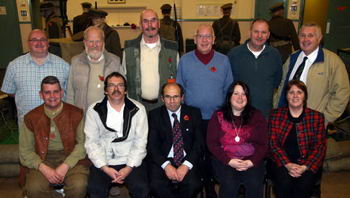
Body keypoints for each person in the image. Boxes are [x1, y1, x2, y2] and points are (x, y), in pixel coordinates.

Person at [176, 24, 233, 197]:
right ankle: (195, 186)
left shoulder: (224, 60)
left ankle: (209, 188)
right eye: (201, 36)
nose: (205, 40)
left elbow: (228, 90)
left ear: (214, 39)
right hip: (192, 119)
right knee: (194, 155)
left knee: (211, 156)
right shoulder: (185, 60)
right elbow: (180, 90)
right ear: (195, 39)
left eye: (208, 36)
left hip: (216, 119)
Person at [19, 76, 89, 198]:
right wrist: (44, 168)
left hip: (71, 157)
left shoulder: (76, 113)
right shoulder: (31, 117)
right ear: (41, 95)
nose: (52, 96)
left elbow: (83, 144)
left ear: (61, 93)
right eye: (47, 92)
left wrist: (66, 165)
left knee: (79, 185)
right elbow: (25, 150)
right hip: (42, 158)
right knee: (34, 188)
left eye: (56, 91)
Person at [84, 72, 149, 197]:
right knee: (95, 189)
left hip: (130, 159)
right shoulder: (94, 110)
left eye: (120, 85)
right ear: (105, 90)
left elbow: (141, 142)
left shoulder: (138, 109)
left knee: (142, 188)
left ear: (125, 90)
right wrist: (104, 167)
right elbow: (91, 142)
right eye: (112, 85)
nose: (116, 89)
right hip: (104, 160)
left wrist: (129, 167)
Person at [277, 22, 350, 124]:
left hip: (313, 123)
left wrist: (325, 119)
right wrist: (277, 107)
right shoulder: (292, 58)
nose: (305, 39)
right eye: (302, 35)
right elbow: (282, 84)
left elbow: (342, 92)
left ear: (319, 38)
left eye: (310, 36)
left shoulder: (333, 62)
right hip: (286, 119)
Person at [207, 81, 268, 198]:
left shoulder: (257, 116)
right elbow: (212, 143)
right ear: (229, 96)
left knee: (254, 184)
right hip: (225, 160)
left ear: (248, 97)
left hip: (252, 160)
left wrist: (251, 162)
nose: (240, 97)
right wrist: (229, 161)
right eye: (236, 93)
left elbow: (264, 144)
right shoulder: (218, 116)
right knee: (229, 184)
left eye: (243, 94)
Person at [269, 80, 327, 198]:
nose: (295, 95)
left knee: (303, 185)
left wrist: (304, 167)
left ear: (304, 96)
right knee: (283, 184)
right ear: (286, 96)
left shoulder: (316, 117)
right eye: (291, 92)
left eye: (299, 92)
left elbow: (319, 147)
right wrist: (288, 164)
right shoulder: (275, 115)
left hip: (307, 164)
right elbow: (273, 144)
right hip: (281, 162)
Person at [1, 29, 69, 124]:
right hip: (27, 123)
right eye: (34, 40)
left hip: (56, 122)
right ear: (28, 43)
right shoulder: (14, 66)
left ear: (48, 43)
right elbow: (10, 92)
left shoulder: (64, 65)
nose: (39, 43)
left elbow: (68, 92)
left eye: (43, 39)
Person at [148, 83, 203, 197]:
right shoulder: (155, 115)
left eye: (176, 96)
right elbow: (152, 146)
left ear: (182, 97)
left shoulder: (194, 113)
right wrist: (166, 166)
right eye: (168, 97)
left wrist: (186, 165)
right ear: (162, 98)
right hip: (164, 160)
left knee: (193, 184)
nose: (172, 101)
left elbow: (199, 143)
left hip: (187, 159)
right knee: (157, 185)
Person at [123, 9, 178, 111]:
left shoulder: (172, 49)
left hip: (164, 107)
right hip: (137, 106)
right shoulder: (129, 50)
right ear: (140, 25)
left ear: (158, 23)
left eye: (153, 20)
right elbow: (123, 79)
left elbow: (178, 79)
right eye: (145, 21)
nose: (150, 25)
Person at [228, 19, 282, 118]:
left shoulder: (275, 55)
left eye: (263, 32)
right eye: (256, 31)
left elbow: (276, 81)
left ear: (268, 35)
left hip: (265, 113)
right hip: (240, 113)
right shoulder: (234, 54)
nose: (259, 36)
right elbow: (229, 83)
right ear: (250, 33)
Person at [67, 26, 124, 112]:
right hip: (83, 116)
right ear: (85, 43)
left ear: (103, 43)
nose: (94, 45)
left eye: (98, 41)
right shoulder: (76, 62)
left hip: (109, 116)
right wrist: (71, 114)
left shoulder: (114, 61)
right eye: (91, 41)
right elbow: (70, 93)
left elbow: (123, 90)